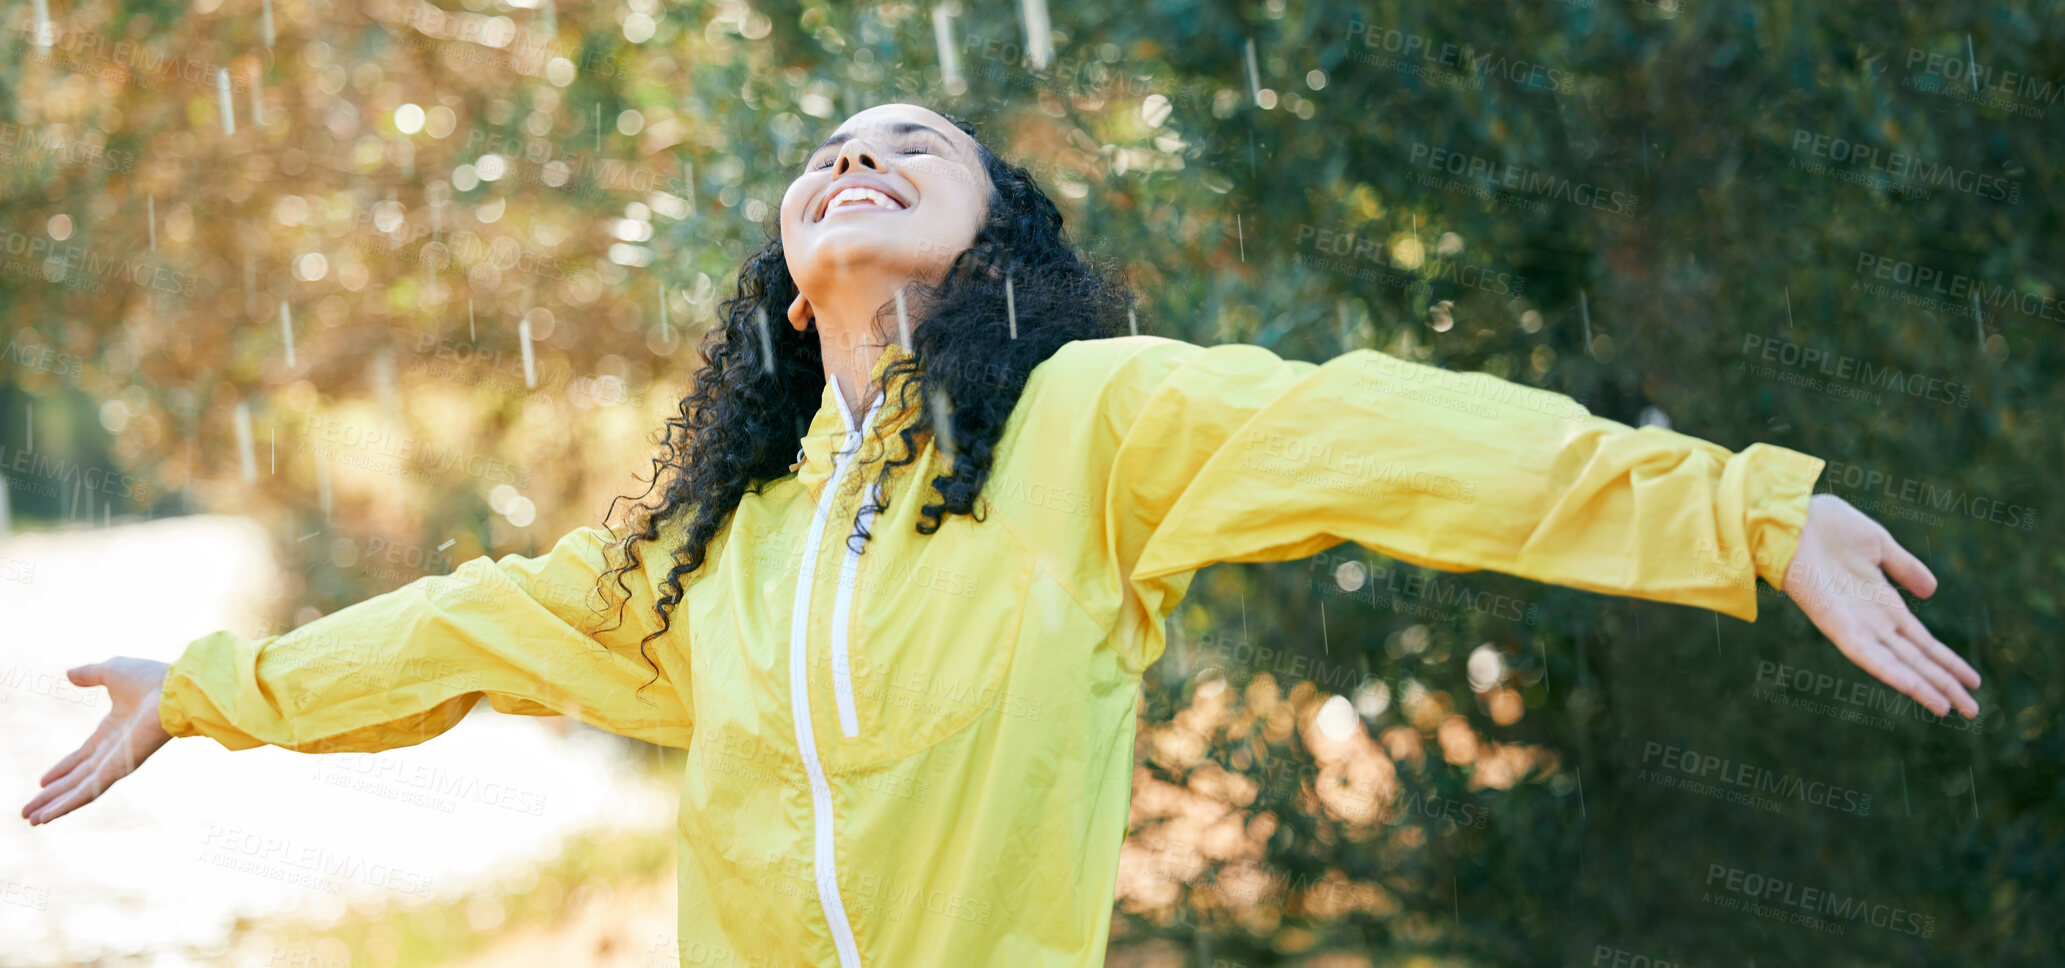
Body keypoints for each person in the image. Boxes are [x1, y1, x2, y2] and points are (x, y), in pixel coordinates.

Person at [22, 102, 1981, 967]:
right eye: (822, 155)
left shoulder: (1096, 434)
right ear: (793, 283)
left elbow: (1383, 433)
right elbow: (459, 631)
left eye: (912, 146)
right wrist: (208, 690)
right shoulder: (711, 559)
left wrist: (1741, 511)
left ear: (994, 243)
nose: (853, 157)